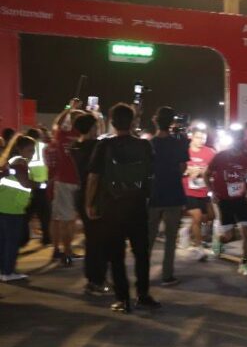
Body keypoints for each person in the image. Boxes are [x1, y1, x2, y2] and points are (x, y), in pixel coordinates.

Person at [85, 103, 159, 313]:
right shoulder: (144, 146)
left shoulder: (104, 146)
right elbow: (151, 175)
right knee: (141, 253)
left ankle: (123, 299)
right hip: (136, 205)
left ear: (112, 122)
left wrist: (89, 203)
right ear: (133, 122)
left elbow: (93, 177)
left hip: (111, 207)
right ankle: (143, 295)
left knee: (116, 255)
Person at [205, 125, 247, 275]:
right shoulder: (221, 156)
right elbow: (206, 174)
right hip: (224, 200)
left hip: (241, 200)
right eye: (236, 138)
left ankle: (244, 264)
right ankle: (218, 240)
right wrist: (211, 191)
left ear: (243, 140)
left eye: (241, 138)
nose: (238, 141)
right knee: (229, 236)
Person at [147, 107, 188, 287]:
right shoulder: (179, 142)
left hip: (154, 193)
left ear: (155, 121)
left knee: (148, 237)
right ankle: (167, 275)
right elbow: (182, 168)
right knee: (171, 238)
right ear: (172, 122)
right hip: (173, 193)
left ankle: (143, 272)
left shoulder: (149, 144)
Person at [70, 113, 109, 294]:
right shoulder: (96, 146)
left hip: (80, 195)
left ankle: (94, 278)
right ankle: (96, 281)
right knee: (98, 241)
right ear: (91, 128)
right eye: (95, 126)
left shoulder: (75, 147)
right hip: (94, 197)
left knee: (93, 239)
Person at [47, 101, 84, 265]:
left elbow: (57, 122)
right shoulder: (79, 136)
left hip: (65, 181)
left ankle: (63, 251)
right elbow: (58, 123)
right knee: (66, 220)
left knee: (64, 219)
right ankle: (66, 252)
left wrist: (69, 107)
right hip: (68, 182)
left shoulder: (64, 134)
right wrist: (70, 109)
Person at [0, 135, 37, 282]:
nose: (32, 153)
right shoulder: (20, 162)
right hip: (12, 208)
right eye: (29, 150)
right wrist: (41, 184)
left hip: (3, 205)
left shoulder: (8, 161)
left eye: (33, 150)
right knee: (12, 241)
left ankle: (4, 269)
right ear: (19, 149)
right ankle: (8, 272)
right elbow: (25, 183)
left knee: (3, 241)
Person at [182, 125, 216, 261]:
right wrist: (188, 171)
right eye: (198, 137)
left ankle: (187, 231)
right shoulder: (185, 151)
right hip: (188, 190)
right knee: (196, 217)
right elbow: (178, 168)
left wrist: (205, 172)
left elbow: (214, 170)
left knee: (208, 217)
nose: (201, 140)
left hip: (204, 190)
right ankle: (199, 248)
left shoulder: (210, 152)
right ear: (191, 137)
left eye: (203, 138)